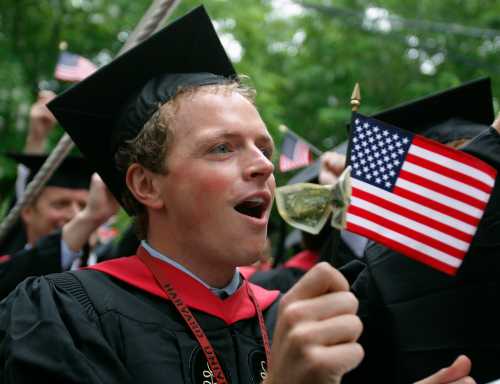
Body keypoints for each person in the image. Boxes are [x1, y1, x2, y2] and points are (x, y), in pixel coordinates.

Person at [0, 6, 475, 384]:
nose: (265, 166)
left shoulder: (291, 316)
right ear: (147, 185)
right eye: (222, 148)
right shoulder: (62, 316)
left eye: (265, 148)